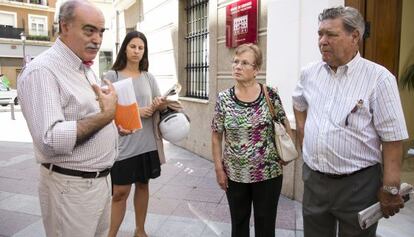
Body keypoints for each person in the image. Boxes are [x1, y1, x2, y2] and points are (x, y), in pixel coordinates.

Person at [292, 6, 409, 237]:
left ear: (355, 36)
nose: (322, 41)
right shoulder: (309, 73)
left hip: (359, 185)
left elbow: (393, 138)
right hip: (315, 180)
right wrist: (305, 140)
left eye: (331, 35)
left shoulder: (379, 78)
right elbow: (298, 104)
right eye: (320, 34)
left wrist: (390, 187)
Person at [17, 0, 118, 236]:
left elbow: (86, 117)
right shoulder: (43, 71)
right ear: (64, 27)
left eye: (101, 32)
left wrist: (113, 124)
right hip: (71, 188)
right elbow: (50, 140)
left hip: (98, 184)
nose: (97, 39)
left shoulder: (84, 68)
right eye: (89, 30)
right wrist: (106, 117)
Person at [211, 43, 291, 237]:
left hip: (268, 173)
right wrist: (219, 169)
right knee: (239, 225)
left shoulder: (270, 94)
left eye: (245, 63)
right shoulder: (224, 99)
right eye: (235, 62)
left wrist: (285, 155)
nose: (237, 66)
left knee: (265, 226)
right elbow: (216, 135)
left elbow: (284, 123)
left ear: (256, 70)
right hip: (235, 174)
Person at [106, 31, 167, 237]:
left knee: (143, 186)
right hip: (123, 144)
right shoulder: (111, 76)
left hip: (147, 143)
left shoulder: (148, 77)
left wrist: (159, 103)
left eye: (141, 48)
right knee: (120, 193)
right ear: (125, 48)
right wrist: (137, 112)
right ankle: (111, 234)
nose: (137, 51)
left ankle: (140, 230)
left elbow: (158, 102)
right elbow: (105, 109)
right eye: (133, 46)